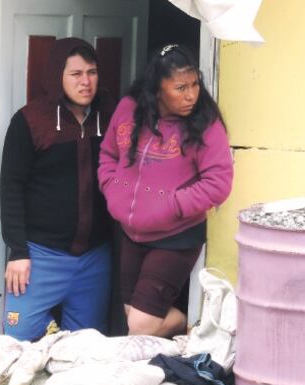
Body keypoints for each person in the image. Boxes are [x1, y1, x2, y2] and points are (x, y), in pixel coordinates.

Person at [98, 44, 233, 338]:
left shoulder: (206, 123)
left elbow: (219, 182)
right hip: (131, 232)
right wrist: (112, 188)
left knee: (140, 325)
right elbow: (108, 154)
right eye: (180, 87)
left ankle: (186, 328)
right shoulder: (128, 110)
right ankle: (181, 330)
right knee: (132, 315)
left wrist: (172, 205)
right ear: (158, 88)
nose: (191, 95)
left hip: (176, 235)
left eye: (195, 84)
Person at [0, 37, 116, 341]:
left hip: (94, 256)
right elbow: (11, 187)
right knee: (18, 336)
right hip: (40, 255)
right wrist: (18, 251)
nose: (86, 82)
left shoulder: (112, 117)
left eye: (91, 72)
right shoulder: (30, 121)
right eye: (76, 74)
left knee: (86, 347)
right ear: (57, 77)